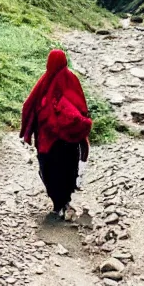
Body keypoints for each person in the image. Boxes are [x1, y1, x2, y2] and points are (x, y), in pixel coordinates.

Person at [20, 49, 91, 217]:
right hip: (67, 141)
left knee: (49, 169)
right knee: (66, 169)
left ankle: (58, 203)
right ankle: (63, 202)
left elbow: (30, 106)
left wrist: (29, 130)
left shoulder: (43, 83)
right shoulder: (71, 80)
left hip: (46, 140)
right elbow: (80, 105)